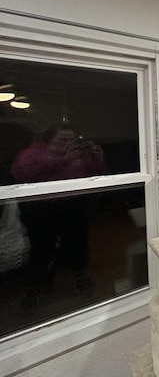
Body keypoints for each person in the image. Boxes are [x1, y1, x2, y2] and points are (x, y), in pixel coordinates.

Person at [11, 123, 107, 312]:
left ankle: (82, 278)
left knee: (78, 244)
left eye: (72, 140)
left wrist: (97, 159)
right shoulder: (32, 153)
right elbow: (22, 174)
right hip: (40, 208)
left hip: (74, 205)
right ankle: (37, 287)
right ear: (49, 139)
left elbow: (98, 174)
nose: (68, 143)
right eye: (62, 139)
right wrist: (61, 159)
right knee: (41, 248)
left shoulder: (80, 153)